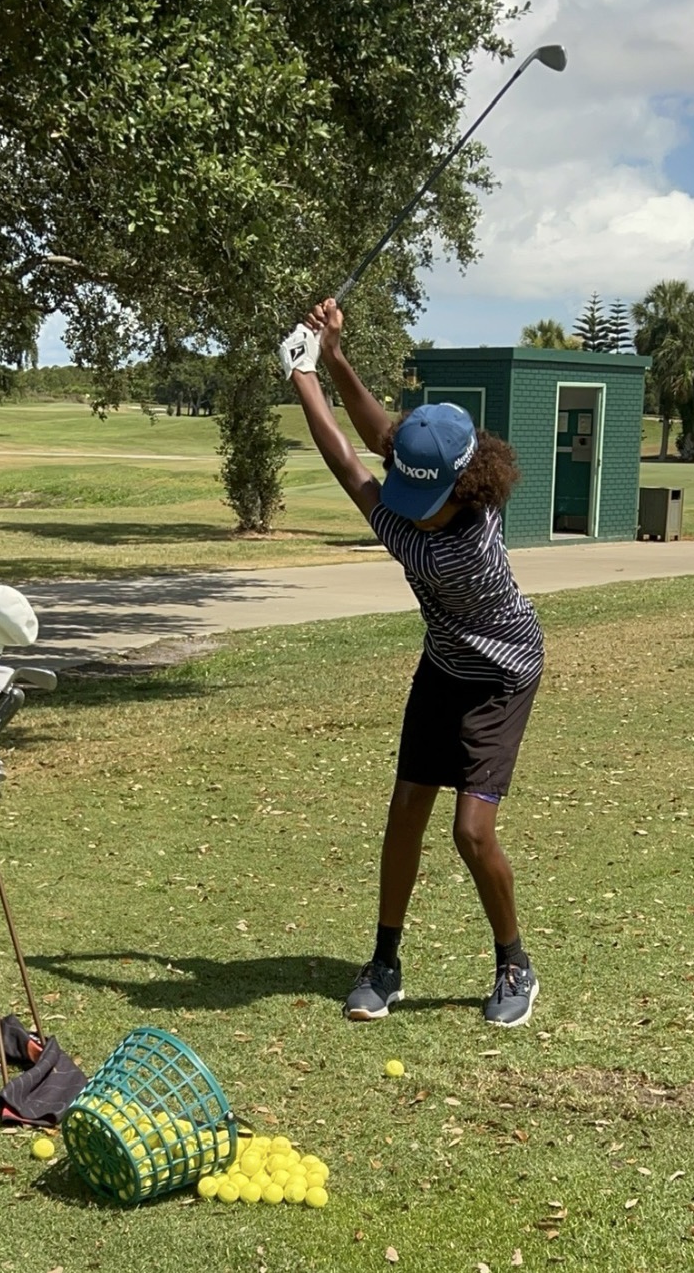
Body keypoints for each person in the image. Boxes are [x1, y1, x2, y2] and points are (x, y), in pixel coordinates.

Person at [279, 299, 545, 1027]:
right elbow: (384, 438)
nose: (409, 502)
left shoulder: (446, 546)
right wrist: (334, 355)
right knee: (405, 811)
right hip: (443, 663)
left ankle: (514, 960)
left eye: (422, 495)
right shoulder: (455, 484)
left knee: (471, 831)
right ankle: (385, 960)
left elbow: (349, 462)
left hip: (500, 673)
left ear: (464, 488)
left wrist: (300, 376)